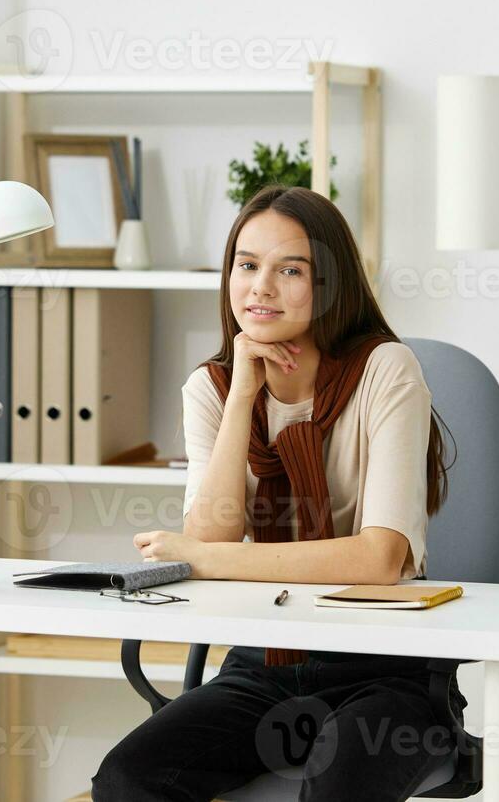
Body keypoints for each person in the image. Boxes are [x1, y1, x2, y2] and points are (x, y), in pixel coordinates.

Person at [90, 184, 464, 802]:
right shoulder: (210, 388)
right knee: (130, 779)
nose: (260, 287)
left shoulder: (385, 370)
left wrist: (214, 558)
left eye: (290, 269)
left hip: (384, 672)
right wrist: (242, 395)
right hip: (265, 666)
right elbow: (206, 537)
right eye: (247, 265)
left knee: (337, 777)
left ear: (329, 286)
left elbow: (378, 560)